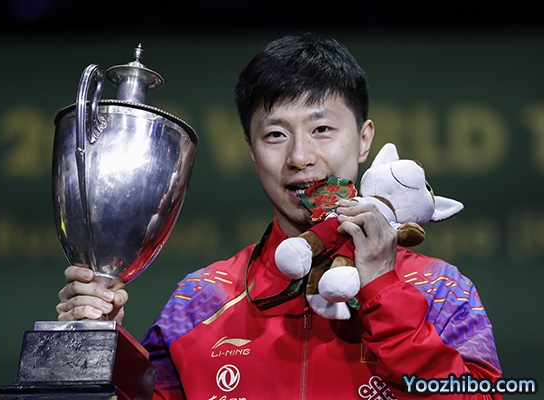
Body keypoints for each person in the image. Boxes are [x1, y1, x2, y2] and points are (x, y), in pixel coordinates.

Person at [56, 33, 502, 399]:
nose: (300, 157)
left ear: (365, 139)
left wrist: (385, 294)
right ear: (251, 152)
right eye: (275, 135)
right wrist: (96, 350)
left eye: (322, 129)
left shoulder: (441, 291)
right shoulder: (199, 301)